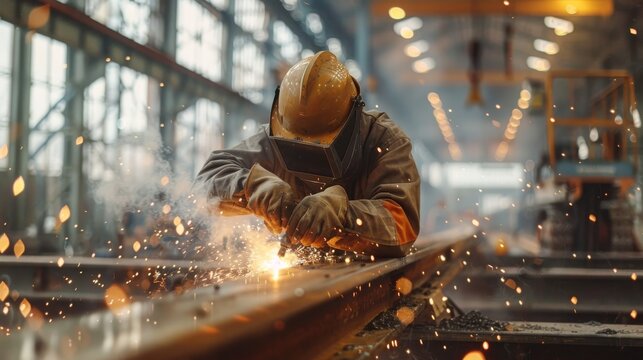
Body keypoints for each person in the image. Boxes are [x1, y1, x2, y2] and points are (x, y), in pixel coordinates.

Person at [196, 51, 420, 257]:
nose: (306, 158)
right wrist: (252, 187)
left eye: (316, 149)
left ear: (351, 124)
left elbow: (402, 227)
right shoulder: (276, 138)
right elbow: (203, 185)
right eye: (295, 148)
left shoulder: (384, 140)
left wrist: (342, 217)